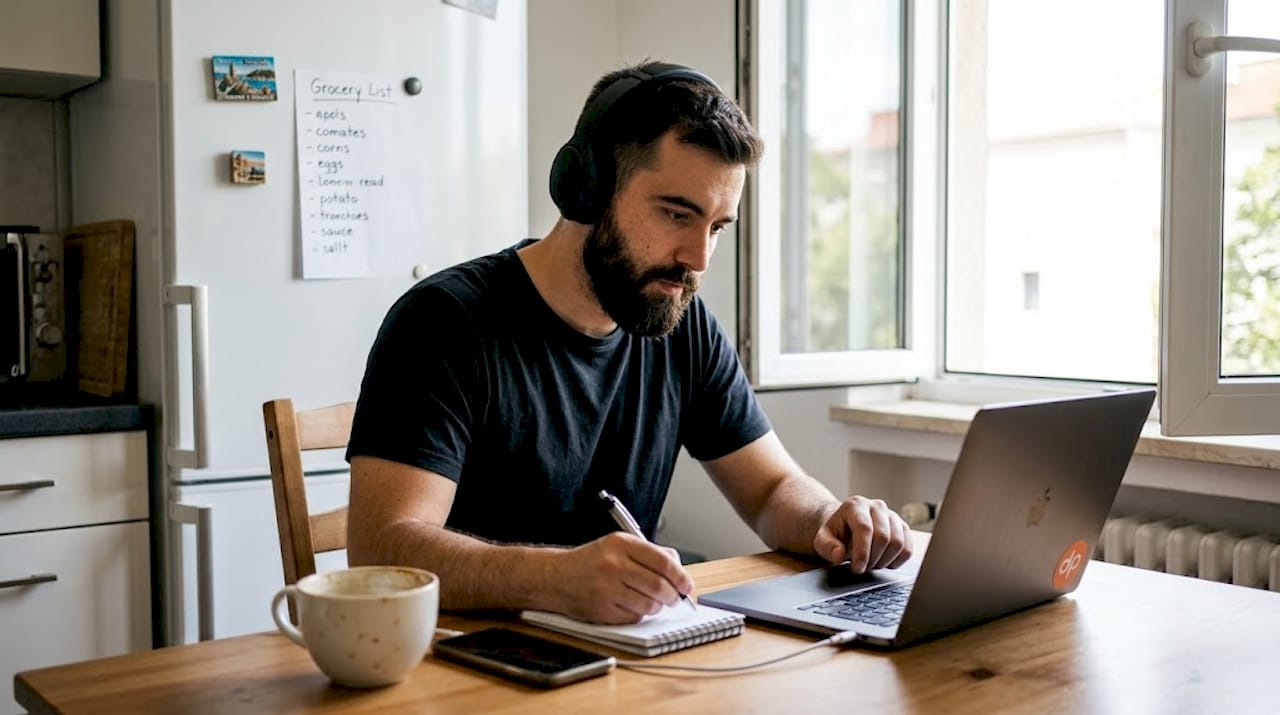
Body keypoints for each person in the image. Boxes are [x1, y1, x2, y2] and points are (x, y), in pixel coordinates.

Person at [345, 61, 913, 625]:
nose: (698, 258)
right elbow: (382, 550)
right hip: (465, 668)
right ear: (586, 188)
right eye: (676, 214)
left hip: (624, 660)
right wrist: (556, 580)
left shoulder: (681, 324)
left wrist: (830, 520)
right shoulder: (445, 321)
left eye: (716, 226)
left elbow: (770, 489)